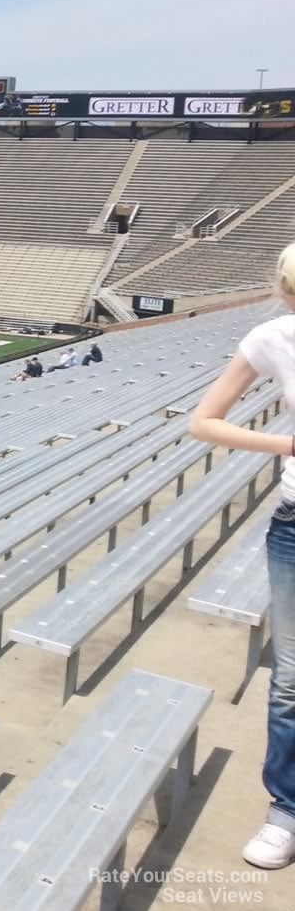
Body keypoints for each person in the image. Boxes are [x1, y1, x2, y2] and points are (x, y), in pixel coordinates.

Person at [188, 247, 295, 868]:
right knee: (291, 683)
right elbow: (204, 422)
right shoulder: (274, 338)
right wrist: (287, 444)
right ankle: (287, 809)